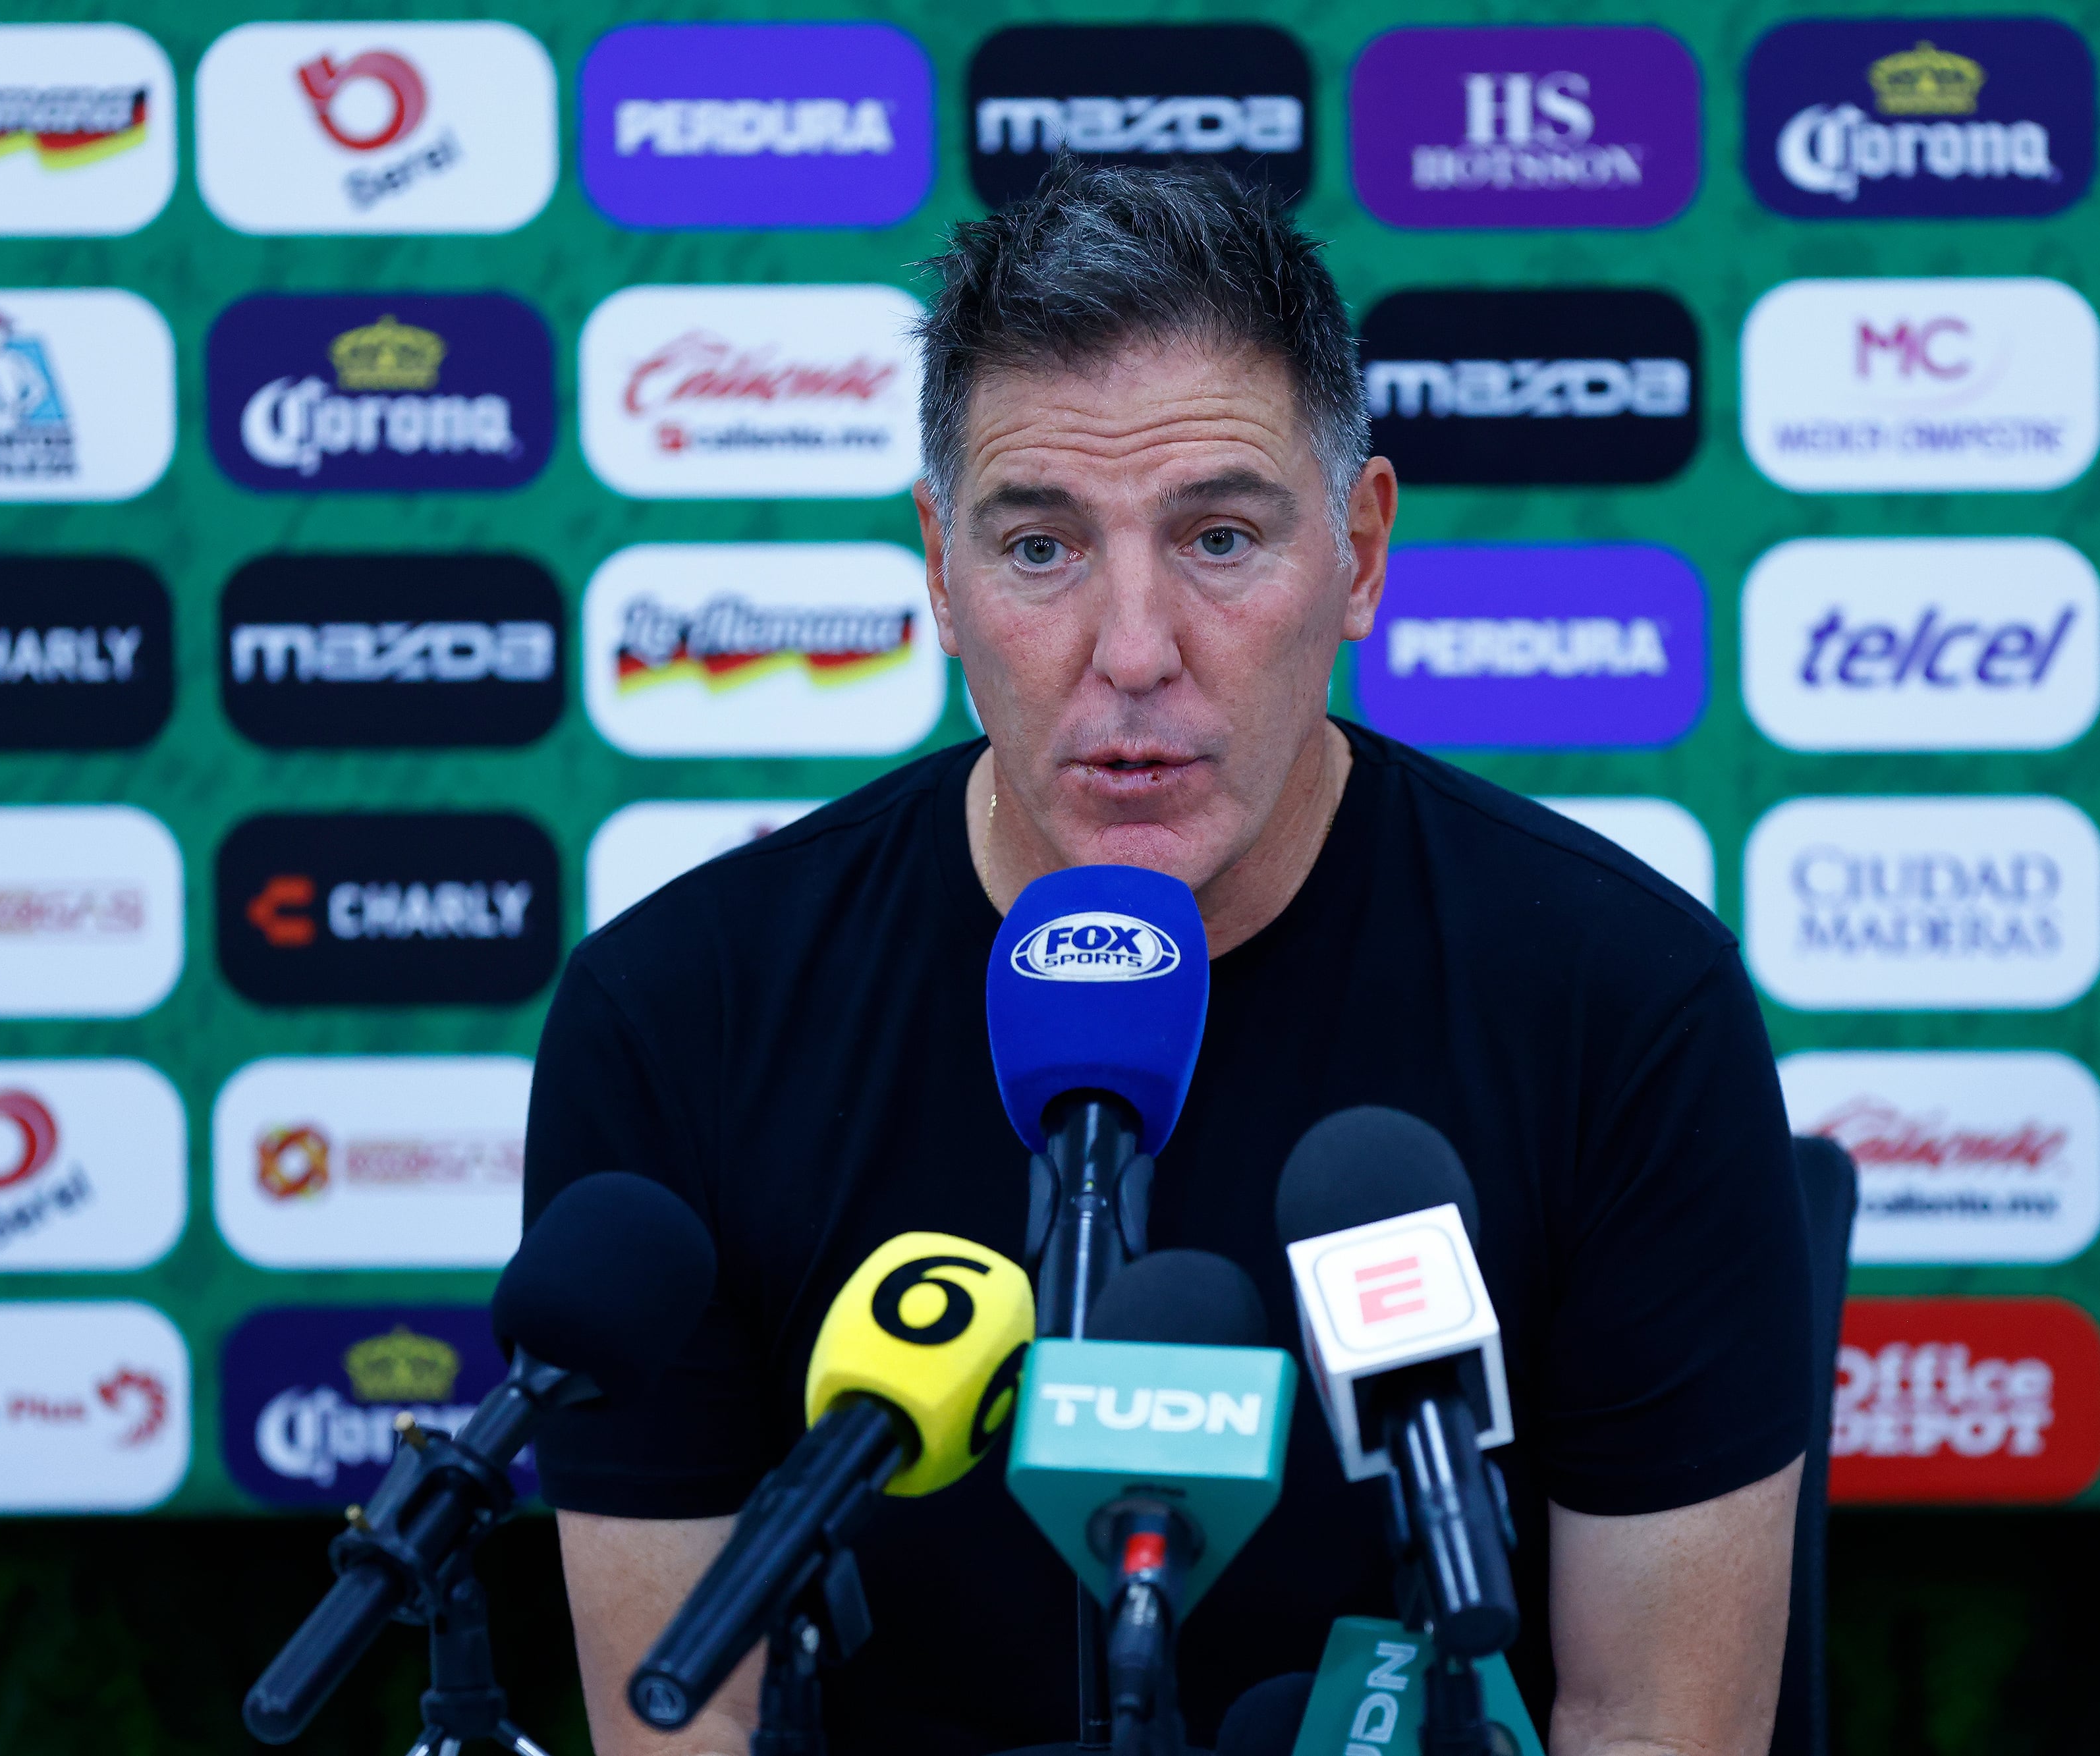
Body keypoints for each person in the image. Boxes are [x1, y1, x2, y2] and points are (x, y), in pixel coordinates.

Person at [526, 158, 1810, 1756]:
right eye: (1042, 548)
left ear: (1359, 552)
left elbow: (1654, 1722)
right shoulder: (678, 1020)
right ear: (939, 569)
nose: (1131, 652)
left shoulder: (1622, 1006)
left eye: (1216, 536)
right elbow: (680, 1721)